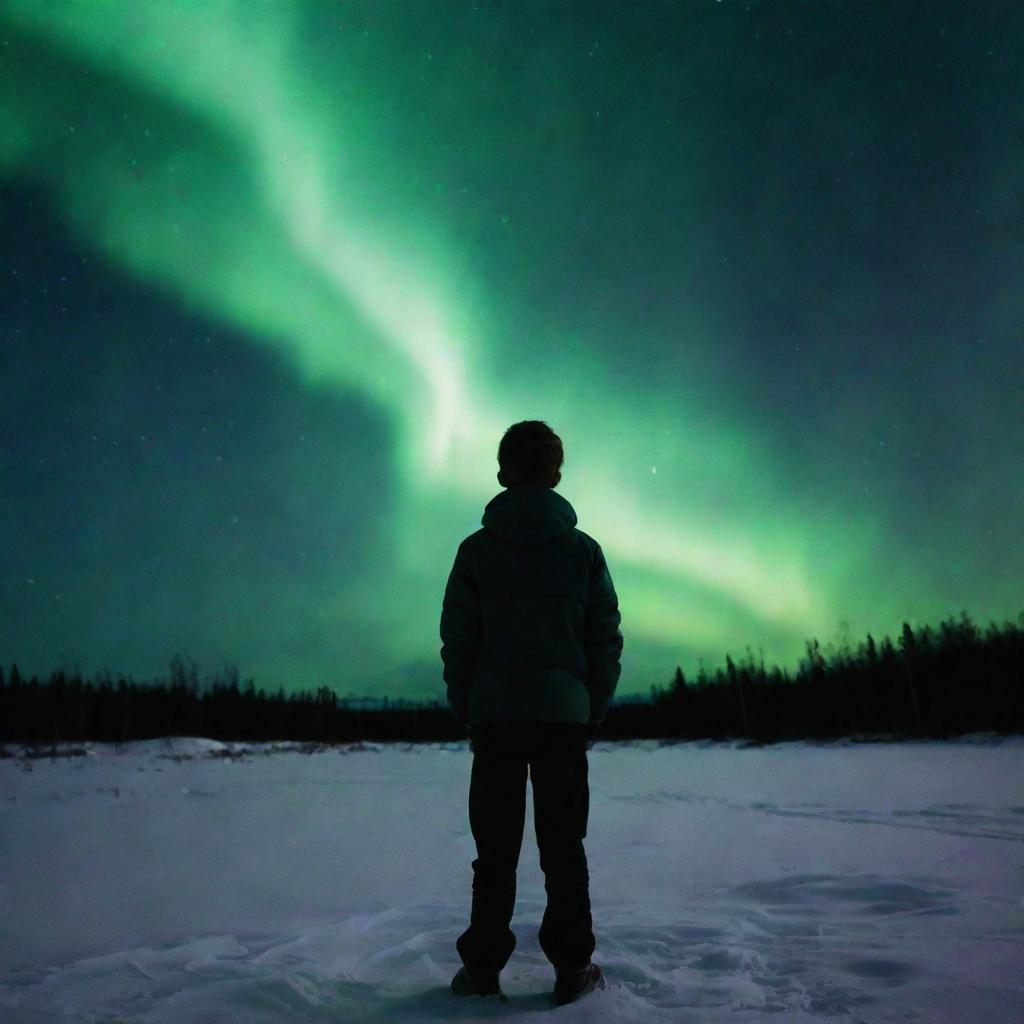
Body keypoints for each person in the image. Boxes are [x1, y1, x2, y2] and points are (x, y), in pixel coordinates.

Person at [439, 419, 624, 1006]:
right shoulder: (583, 552)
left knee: (494, 849)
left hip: (494, 719)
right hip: (562, 721)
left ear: (503, 471)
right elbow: (604, 640)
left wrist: (469, 707)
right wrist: (590, 708)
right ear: (555, 473)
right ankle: (572, 969)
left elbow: (458, 640)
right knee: (563, 847)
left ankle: (484, 971)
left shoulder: (476, 552)